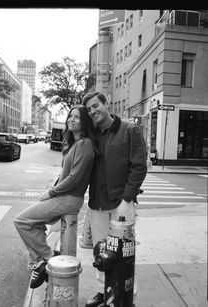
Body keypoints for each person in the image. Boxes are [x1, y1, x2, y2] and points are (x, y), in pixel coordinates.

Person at [14, 104, 97, 289]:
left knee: (21, 221)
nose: (72, 119)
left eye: (77, 117)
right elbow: (65, 175)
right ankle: (41, 261)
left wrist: (51, 193)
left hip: (69, 198)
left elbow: (74, 178)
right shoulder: (75, 144)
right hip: (65, 196)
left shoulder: (85, 144)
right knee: (34, 224)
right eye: (70, 116)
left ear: (85, 122)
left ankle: (47, 259)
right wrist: (54, 189)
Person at [82, 92, 147, 307]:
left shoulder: (129, 129)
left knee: (125, 256)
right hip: (97, 204)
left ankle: (128, 299)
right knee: (102, 252)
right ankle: (103, 293)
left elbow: (139, 166)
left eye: (95, 106)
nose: (93, 111)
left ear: (106, 104)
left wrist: (127, 199)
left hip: (122, 205)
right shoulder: (91, 135)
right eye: (89, 109)